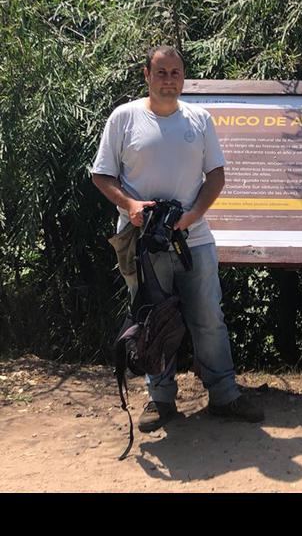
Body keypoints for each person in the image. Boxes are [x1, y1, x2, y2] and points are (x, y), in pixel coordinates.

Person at [92, 45, 263, 431]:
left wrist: (192, 216)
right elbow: (101, 174)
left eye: (175, 73)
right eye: (161, 72)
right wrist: (130, 205)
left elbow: (215, 175)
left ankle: (224, 395)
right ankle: (161, 398)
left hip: (193, 239)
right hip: (141, 243)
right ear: (147, 75)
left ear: (183, 77)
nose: (168, 80)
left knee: (209, 318)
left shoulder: (199, 120)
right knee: (152, 319)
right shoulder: (124, 118)